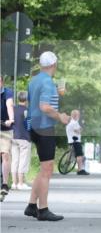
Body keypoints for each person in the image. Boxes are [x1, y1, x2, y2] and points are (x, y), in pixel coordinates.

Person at [25, 51, 71, 221]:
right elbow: (45, 107)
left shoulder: (34, 81)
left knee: (43, 168)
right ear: (54, 65)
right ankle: (43, 210)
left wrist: (58, 93)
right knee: (47, 169)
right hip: (44, 128)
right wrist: (61, 117)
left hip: (33, 127)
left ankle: (31, 205)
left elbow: (35, 103)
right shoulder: (48, 83)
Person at [11, 91, 31, 190]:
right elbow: (29, 126)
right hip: (24, 138)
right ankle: (21, 183)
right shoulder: (27, 111)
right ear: (27, 99)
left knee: (15, 160)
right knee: (23, 160)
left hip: (14, 137)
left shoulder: (13, 109)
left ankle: (14, 183)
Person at [65, 109, 89, 175]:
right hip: (76, 141)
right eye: (78, 114)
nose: (79, 116)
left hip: (70, 141)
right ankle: (80, 170)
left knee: (71, 154)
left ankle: (65, 165)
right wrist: (81, 129)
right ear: (76, 115)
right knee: (79, 155)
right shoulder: (74, 123)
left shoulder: (69, 123)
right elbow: (78, 131)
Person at [1, 75, 14, 197]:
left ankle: (4, 184)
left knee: (5, 154)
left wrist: (11, 119)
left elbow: (9, 105)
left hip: (5, 129)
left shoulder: (8, 92)